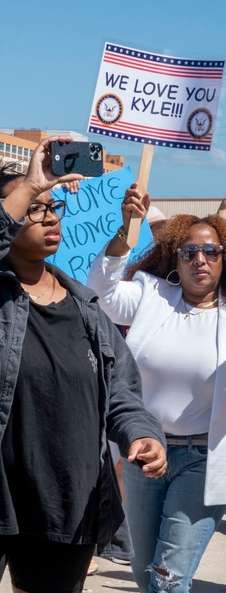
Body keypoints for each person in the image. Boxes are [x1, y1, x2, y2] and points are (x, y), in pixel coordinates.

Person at [0, 139, 167, 593]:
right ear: (5, 219)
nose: (50, 215)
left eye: (53, 207)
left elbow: (122, 396)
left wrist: (143, 434)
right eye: (34, 208)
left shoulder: (89, 311)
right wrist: (32, 183)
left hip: (63, 504)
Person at [87, 184, 226, 593]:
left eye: (212, 251)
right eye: (189, 252)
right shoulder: (152, 296)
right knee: (145, 571)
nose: (200, 259)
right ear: (174, 260)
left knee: (169, 579)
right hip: (144, 454)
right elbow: (102, 289)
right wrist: (127, 228)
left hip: (203, 462)